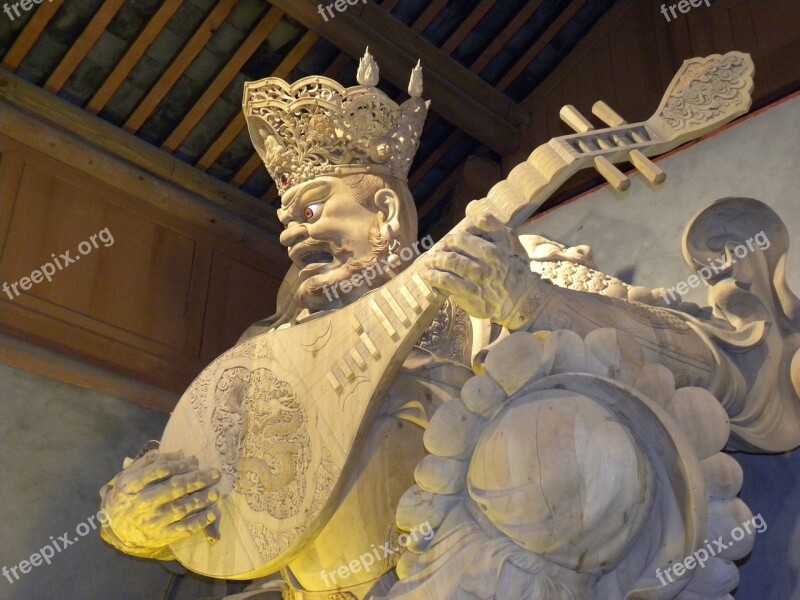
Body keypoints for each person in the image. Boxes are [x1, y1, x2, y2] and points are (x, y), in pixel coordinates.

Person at [100, 51, 797, 600]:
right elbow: (203, 491)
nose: (290, 229)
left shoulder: (505, 267)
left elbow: (695, 364)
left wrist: (529, 300)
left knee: (557, 429)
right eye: (286, 217)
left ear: (384, 212)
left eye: (312, 208)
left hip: (472, 581)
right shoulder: (263, 354)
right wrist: (138, 522)